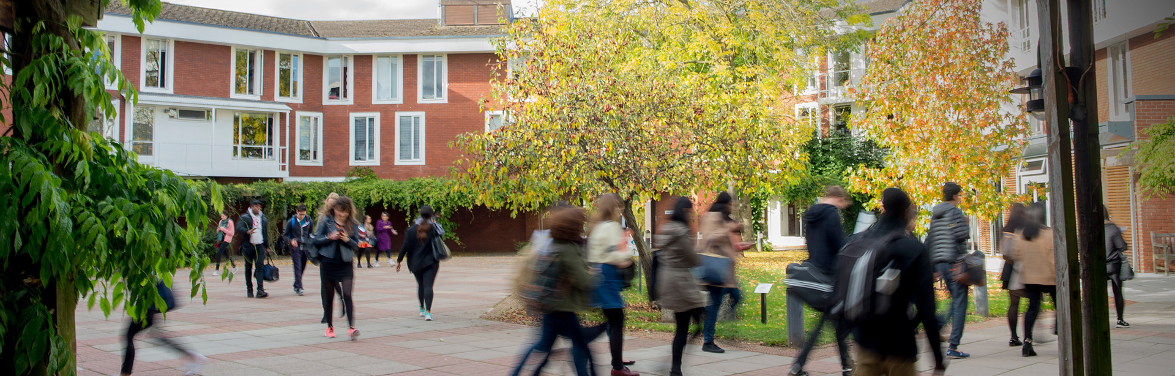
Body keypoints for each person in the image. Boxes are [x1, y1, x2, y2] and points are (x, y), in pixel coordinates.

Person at [852, 188, 946, 376]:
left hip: (866, 343)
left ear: (882, 208)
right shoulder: (914, 249)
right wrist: (937, 357)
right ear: (905, 212)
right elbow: (927, 309)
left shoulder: (859, 242)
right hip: (899, 345)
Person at [509, 205, 597, 376]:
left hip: (551, 305)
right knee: (580, 346)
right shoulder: (569, 248)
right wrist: (596, 274)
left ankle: (518, 373)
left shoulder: (554, 243)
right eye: (581, 223)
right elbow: (583, 280)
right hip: (562, 307)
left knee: (544, 345)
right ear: (574, 225)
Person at [789, 186, 853, 376]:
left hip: (814, 270)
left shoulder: (811, 214)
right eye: (842, 202)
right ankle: (800, 364)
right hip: (829, 275)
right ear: (837, 197)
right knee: (833, 321)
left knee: (832, 321)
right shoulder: (832, 214)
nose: (842, 206)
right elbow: (838, 245)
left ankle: (802, 365)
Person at [581, 194, 640, 376]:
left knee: (612, 320)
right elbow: (614, 254)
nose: (621, 211)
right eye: (619, 207)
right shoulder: (612, 227)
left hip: (598, 276)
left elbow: (593, 254)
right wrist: (625, 260)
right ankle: (617, 368)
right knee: (616, 320)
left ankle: (616, 364)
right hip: (608, 276)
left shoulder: (596, 227)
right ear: (613, 208)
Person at [656, 197, 707, 376]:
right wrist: (699, 254)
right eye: (690, 210)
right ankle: (675, 368)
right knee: (692, 324)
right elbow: (692, 259)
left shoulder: (666, 230)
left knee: (683, 326)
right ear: (685, 211)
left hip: (669, 281)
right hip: (681, 283)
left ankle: (674, 367)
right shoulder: (681, 231)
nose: (692, 214)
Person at [925, 182, 971, 358]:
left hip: (939, 262)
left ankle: (939, 323)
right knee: (960, 301)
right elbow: (960, 235)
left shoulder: (935, 215)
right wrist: (965, 224)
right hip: (954, 261)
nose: (960, 198)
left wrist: (931, 266)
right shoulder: (955, 212)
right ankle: (953, 345)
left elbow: (930, 240)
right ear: (954, 196)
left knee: (955, 299)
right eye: (959, 195)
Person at [120, 281, 205, 376]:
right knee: (155, 335)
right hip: (158, 299)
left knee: (129, 335)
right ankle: (192, 356)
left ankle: (125, 374)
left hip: (153, 301)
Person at [697, 192, 743, 354]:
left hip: (724, 269)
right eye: (730, 204)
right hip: (716, 268)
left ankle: (705, 316)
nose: (732, 208)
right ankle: (708, 340)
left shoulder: (720, 217)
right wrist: (728, 228)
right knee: (715, 304)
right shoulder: (713, 217)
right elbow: (711, 237)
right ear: (725, 204)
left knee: (735, 297)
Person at [1009, 202, 1056, 356]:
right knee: (1061, 306)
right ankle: (1061, 330)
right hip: (1049, 277)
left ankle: (1027, 342)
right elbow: (1052, 258)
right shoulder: (1049, 233)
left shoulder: (1021, 233)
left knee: (1032, 308)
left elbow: (1016, 255)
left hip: (1029, 277)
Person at [312, 196, 362, 340]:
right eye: (340, 211)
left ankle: (351, 327)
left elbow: (357, 246)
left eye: (345, 212)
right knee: (329, 297)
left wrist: (347, 239)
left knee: (347, 294)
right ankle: (330, 326)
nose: (342, 214)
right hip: (328, 262)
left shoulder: (352, 223)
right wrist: (330, 237)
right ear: (334, 209)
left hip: (345, 263)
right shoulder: (325, 221)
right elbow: (315, 240)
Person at [398, 206, 442, 321]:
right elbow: (440, 240)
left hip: (415, 263)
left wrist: (399, 260)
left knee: (421, 285)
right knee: (428, 286)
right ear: (431, 215)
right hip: (431, 262)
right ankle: (428, 312)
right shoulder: (433, 229)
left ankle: (422, 308)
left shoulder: (410, 230)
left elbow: (405, 246)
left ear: (420, 214)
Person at [999, 203, 1028, 346]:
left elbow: (1004, 252)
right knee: (1033, 301)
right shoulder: (1024, 229)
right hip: (1023, 266)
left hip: (1009, 268)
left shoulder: (1006, 229)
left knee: (1013, 304)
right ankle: (1029, 334)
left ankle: (1013, 336)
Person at [237, 199, 271, 298]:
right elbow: (239, 228)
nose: (258, 208)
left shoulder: (262, 218)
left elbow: (264, 232)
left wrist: (267, 246)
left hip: (259, 245)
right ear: (251, 207)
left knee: (259, 266)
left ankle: (260, 290)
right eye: (256, 206)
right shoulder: (244, 217)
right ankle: (249, 289)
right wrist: (247, 231)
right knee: (248, 268)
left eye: (259, 206)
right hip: (248, 246)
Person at [1105, 205, 1130, 328]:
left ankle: (1100, 318)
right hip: (1113, 265)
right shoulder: (1112, 228)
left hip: (1097, 266)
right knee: (1117, 292)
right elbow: (1122, 246)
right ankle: (1120, 319)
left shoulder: (1091, 228)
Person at [285, 204, 313, 296]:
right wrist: (291, 240)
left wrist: (311, 242)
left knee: (302, 266)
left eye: (304, 214)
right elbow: (285, 235)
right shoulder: (291, 222)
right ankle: (299, 287)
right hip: (295, 247)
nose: (302, 216)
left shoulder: (309, 221)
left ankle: (297, 283)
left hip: (305, 247)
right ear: (297, 212)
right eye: (300, 214)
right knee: (297, 266)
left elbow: (310, 234)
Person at [213, 211, 236, 276]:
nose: (222, 217)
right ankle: (234, 267)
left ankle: (216, 269)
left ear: (226, 216)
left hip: (226, 239)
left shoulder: (230, 222)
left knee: (218, 253)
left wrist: (223, 229)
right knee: (226, 254)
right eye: (221, 216)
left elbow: (232, 233)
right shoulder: (220, 222)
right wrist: (218, 229)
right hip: (220, 239)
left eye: (223, 216)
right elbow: (218, 230)